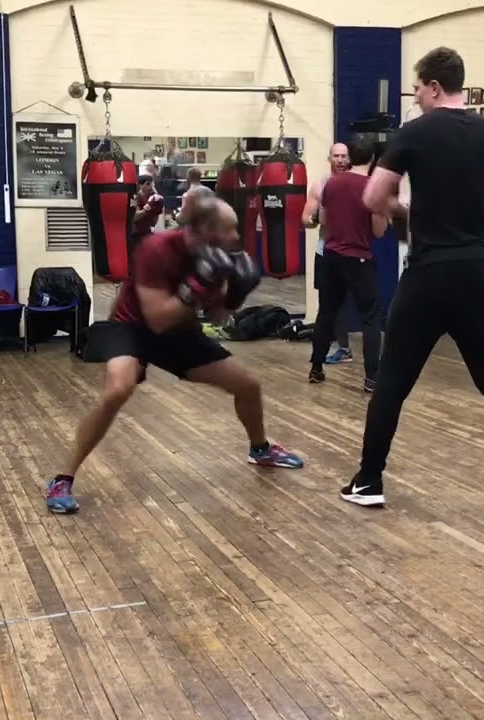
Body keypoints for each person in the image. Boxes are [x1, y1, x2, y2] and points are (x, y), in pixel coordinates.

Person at [341, 46, 484, 517]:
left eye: (417, 89)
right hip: (477, 274)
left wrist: (403, 212)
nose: (415, 97)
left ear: (433, 86)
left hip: (428, 275)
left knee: (391, 384)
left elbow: (371, 197)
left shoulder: (414, 133)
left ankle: (369, 482)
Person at [44, 195, 305, 513]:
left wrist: (235, 293)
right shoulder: (157, 249)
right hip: (132, 328)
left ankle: (261, 449)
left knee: (248, 385)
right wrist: (197, 286)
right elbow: (157, 318)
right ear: (207, 229)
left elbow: (220, 317)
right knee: (118, 390)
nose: (237, 237)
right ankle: (62, 479)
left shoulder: (222, 256)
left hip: (178, 332)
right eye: (230, 229)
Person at [308, 137, 388, 392]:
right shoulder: (373, 187)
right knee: (370, 319)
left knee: (326, 313)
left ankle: (316, 368)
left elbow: (323, 218)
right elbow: (377, 231)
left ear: (350, 158)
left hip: (332, 255)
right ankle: (372, 379)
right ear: (373, 159)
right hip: (358, 258)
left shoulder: (331, 184)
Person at [302, 143, 354, 364]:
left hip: (353, 250)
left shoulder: (357, 184)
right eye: (336, 156)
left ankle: (376, 361)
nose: (340, 160)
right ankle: (343, 348)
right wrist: (317, 217)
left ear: (349, 159)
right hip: (327, 250)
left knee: (366, 305)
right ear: (329, 159)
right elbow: (305, 219)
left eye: (344, 156)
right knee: (330, 304)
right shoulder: (321, 185)